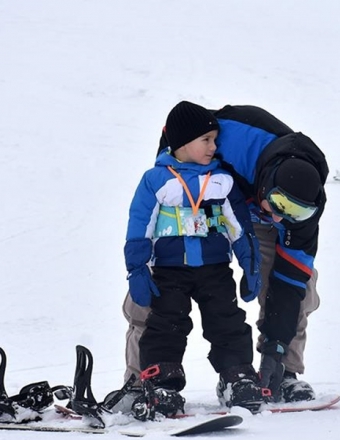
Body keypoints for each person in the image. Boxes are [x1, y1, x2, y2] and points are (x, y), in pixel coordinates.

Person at [123, 104, 328, 404]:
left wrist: (276, 346)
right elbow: (178, 135)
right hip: (201, 206)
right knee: (154, 294)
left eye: (296, 211)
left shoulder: (301, 207)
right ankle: (140, 381)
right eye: (282, 205)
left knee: (299, 288)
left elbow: (293, 274)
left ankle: (284, 373)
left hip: (251, 217)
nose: (286, 217)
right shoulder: (229, 140)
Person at [122, 101, 265, 416]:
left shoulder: (222, 180)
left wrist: (249, 263)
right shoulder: (156, 180)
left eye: (215, 139)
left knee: (226, 321)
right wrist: (137, 269)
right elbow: (139, 225)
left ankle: (237, 377)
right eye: (206, 140)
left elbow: (240, 227)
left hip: (214, 269)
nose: (214, 146)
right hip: (169, 271)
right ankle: (161, 383)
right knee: (166, 324)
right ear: (182, 143)